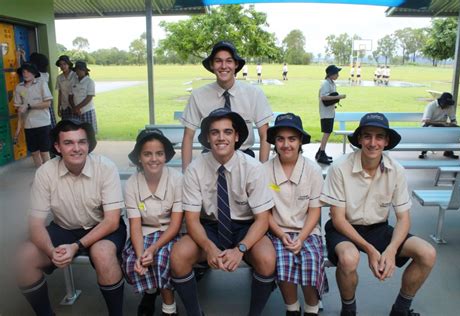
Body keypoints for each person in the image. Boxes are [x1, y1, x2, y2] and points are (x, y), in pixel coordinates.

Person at [321, 113, 436, 316]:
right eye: (367, 136)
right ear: (359, 139)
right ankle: (349, 310)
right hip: (345, 228)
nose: (373, 143)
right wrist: (371, 250)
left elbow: (403, 218)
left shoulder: (396, 170)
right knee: (349, 258)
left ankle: (400, 310)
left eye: (379, 137)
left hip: (378, 228)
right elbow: (337, 218)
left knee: (427, 253)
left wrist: (391, 250)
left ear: (386, 141)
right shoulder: (339, 167)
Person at [171, 108, 276, 316]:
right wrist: (209, 247)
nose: (221, 138)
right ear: (208, 138)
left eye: (228, 132)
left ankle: (254, 314)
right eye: (215, 132)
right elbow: (191, 220)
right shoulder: (195, 169)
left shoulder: (253, 168)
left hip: (245, 227)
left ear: (237, 137)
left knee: (267, 259)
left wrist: (241, 249)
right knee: (178, 257)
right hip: (209, 226)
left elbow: (263, 219)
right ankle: (195, 312)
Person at [16, 119, 127, 316]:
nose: (76, 148)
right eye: (68, 143)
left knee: (102, 254)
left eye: (82, 142)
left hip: (102, 227)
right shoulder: (45, 173)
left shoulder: (106, 168)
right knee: (23, 257)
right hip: (63, 227)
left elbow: (111, 221)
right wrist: (51, 251)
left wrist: (75, 246)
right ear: (57, 147)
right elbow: (35, 224)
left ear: (89, 144)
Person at [264, 113, 328, 316]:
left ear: (300, 141)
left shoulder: (312, 170)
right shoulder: (264, 171)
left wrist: (300, 238)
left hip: (307, 231)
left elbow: (314, 211)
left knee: (310, 262)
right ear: (274, 142)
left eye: (292, 139)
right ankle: (291, 308)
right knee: (284, 263)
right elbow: (264, 212)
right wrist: (282, 235)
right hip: (276, 230)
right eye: (280, 139)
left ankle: (312, 307)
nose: (286, 144)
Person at [179, 41, 273, 171]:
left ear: (236, 65)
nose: (224, 66)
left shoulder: (254, 94)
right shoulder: (198, 95)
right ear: (212, 65)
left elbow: (265, 135)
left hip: (244, 160)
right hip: (209, 161)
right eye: (218, 61)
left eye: (229, 61)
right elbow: (188, 137)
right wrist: (186, 173)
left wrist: (263, 172)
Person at [122, 127, 183, 316]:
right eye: (147, 154)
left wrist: (153, 249)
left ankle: (169, 308)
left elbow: (175, 224)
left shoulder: (177, 179)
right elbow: (135, 225)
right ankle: (149, 292)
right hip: (144, 231)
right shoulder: (132, 183)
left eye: (159, 153)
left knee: (162, 258)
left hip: (170, 232)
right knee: (133, 260)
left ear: (165, 157)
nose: (154, 159)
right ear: (139, 157)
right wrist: (141, 255)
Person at [13, 62, 53, 168]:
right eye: (24, 71)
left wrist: (29, 106)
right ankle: (40, 173)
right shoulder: (19, 87)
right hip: (28, 125)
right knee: (34, 152)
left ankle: (49, 174)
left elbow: (48, 103)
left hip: (43, 123)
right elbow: (17, 105)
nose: (26, 73)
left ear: (34, 73)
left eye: (29, 71)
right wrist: (19, 108)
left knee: (44, 152)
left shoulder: (41, 84)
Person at [315, 64, 346, 165]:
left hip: (330, 112)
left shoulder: (331, 83)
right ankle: (321, 154)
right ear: (331, 74)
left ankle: (320, 152)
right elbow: (323, 97)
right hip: (325, 113)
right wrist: (339, 97)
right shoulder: (325, 84)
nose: (338, 75)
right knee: (327, 133)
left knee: (328, 132)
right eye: (336, 73)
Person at [419, 92, 458, 159]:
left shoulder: (450, 106)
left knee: (453, 131)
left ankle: (448, 151)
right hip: (429, 124)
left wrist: (453, 124)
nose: (447, 106)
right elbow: (426, 121)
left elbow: (453, 119)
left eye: (449, 104)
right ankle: (424, 151)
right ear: (441, 101)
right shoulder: (431, 106)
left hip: (443, 125)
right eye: (446, 104)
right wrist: (441, 123)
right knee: (430, 131)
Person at [29, 52, 56, 129]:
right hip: (45, 101)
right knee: (50, 124)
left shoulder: (37, 76)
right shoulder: (45, 74)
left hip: (39, 103)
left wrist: (18, 58)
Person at [69, 60, 98, 133]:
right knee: (77, 132)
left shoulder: (89, 82)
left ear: (84, 70)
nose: (78, 71)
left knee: (89, 133)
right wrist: (74, 108)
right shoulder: (73, 81)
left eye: (80, 69)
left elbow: (89, 98)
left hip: (87, 110)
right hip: (75, 111)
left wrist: (77, 108)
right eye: (76, 70)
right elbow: (70, 96)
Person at [55, 55, 76, 120]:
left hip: (75, 105)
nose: (62, 66)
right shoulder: (59, 78)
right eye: (60, 64)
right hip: (64, 106)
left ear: (69, 64)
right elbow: (60, 93)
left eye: (64, 64)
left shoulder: (75, 75)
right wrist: (58, 108)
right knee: (66, 127)